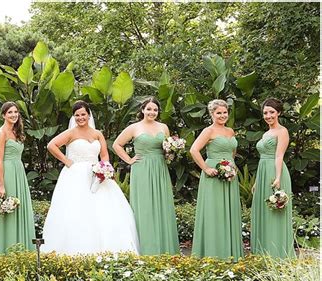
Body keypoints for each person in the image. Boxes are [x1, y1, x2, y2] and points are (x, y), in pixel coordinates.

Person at [41, 100, 139, 254]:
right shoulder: (71, 133)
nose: (80, 118)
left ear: (88, 115)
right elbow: (51, 145)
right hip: (75, 175)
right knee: (76, 209)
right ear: (74, 117)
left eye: (83, 114)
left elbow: (104, 155)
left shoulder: (97, 133)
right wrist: (67, 161)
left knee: (104, 210)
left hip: (97, 174)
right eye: (77, 115)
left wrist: (104, 168)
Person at [112, 96, 179, 255]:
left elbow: (167, 147)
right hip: (142, 168)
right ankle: (146, 247)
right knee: (145, 206)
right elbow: (117, 145)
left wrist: (172, 151)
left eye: (155, 110)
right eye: (149, 109)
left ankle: (165, 247)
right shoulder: (134, 128)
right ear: (142, 110)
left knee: (162, 203)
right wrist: (129, 160)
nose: (152, 112)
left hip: (160, 168)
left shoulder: (163, 127)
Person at [190, 99, 243, 260]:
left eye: (225, 112)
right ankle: (213, 252)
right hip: (213, 175)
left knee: (229, 210)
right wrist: (206, 168)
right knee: (215, 211)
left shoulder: (230, 131)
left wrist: (230, 166)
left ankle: (230, 251)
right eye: (218, 113)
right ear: (212, 114)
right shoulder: (208, 131)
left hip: (229, 175)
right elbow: (194, 150)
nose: (222, 115)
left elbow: (232, 151)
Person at [251, 98, 295, 258]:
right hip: (263, 173)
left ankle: (277, 253)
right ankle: (263, 250)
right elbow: (262, 158)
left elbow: (279, 156)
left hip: (275, 172)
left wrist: (277, 178)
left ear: (279, 113)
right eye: (265, 113)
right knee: (264, 211)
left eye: (272, 112)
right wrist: (257, 181)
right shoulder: (265, 134)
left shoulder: (282, 131)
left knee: (275, 211)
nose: (268, 116)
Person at [0, 101, 35, 254]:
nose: (13, 115)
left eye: (16, 112)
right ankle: (6, 248)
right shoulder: (1, 133)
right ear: (3, 115)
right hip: (7, 173)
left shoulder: (17, 132)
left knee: (19, 208)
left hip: (19, 172)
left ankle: (21, 246)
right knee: (8, 209)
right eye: (10, 112)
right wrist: (1, 184)